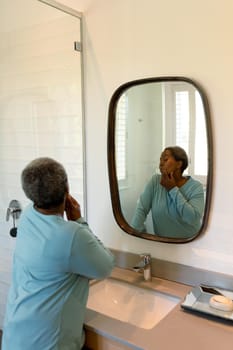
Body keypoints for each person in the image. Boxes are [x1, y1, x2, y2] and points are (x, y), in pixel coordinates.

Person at [2, 157, 115, 350]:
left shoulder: (28, 215)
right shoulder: (72, 234)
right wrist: (79, 220)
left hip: (15, 336)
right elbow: (106, 266)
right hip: (48, 344)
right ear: (67, 190)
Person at [131, 146, 205, 238]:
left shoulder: (196, 187)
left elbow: (193, 218)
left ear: (179, 164)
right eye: (160, 160)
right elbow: (141, 210)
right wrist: (134, 235)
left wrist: (172, 189)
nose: (160, 164)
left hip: (189, 244)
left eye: (165, 159)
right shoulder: (155, 181)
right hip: (163, 244)